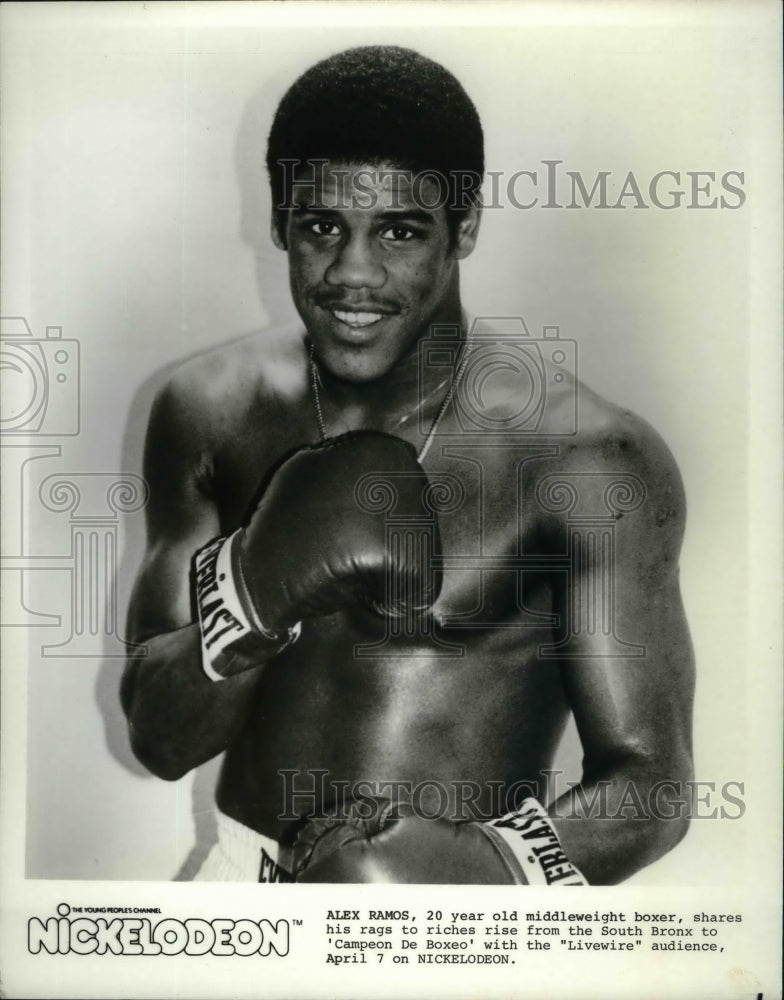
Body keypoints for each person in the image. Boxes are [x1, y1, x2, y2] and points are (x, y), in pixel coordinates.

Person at [120, 45, 694, 885]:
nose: (353, 273)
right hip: (240, 879)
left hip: (470, 912)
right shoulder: (209, 412)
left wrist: (481, 869)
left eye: (399, 230)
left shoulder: (587, 460)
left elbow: (654, 785)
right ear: (278, 221)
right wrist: (251, 592)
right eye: (322, 227)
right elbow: (160, 739)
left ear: (463, 229)